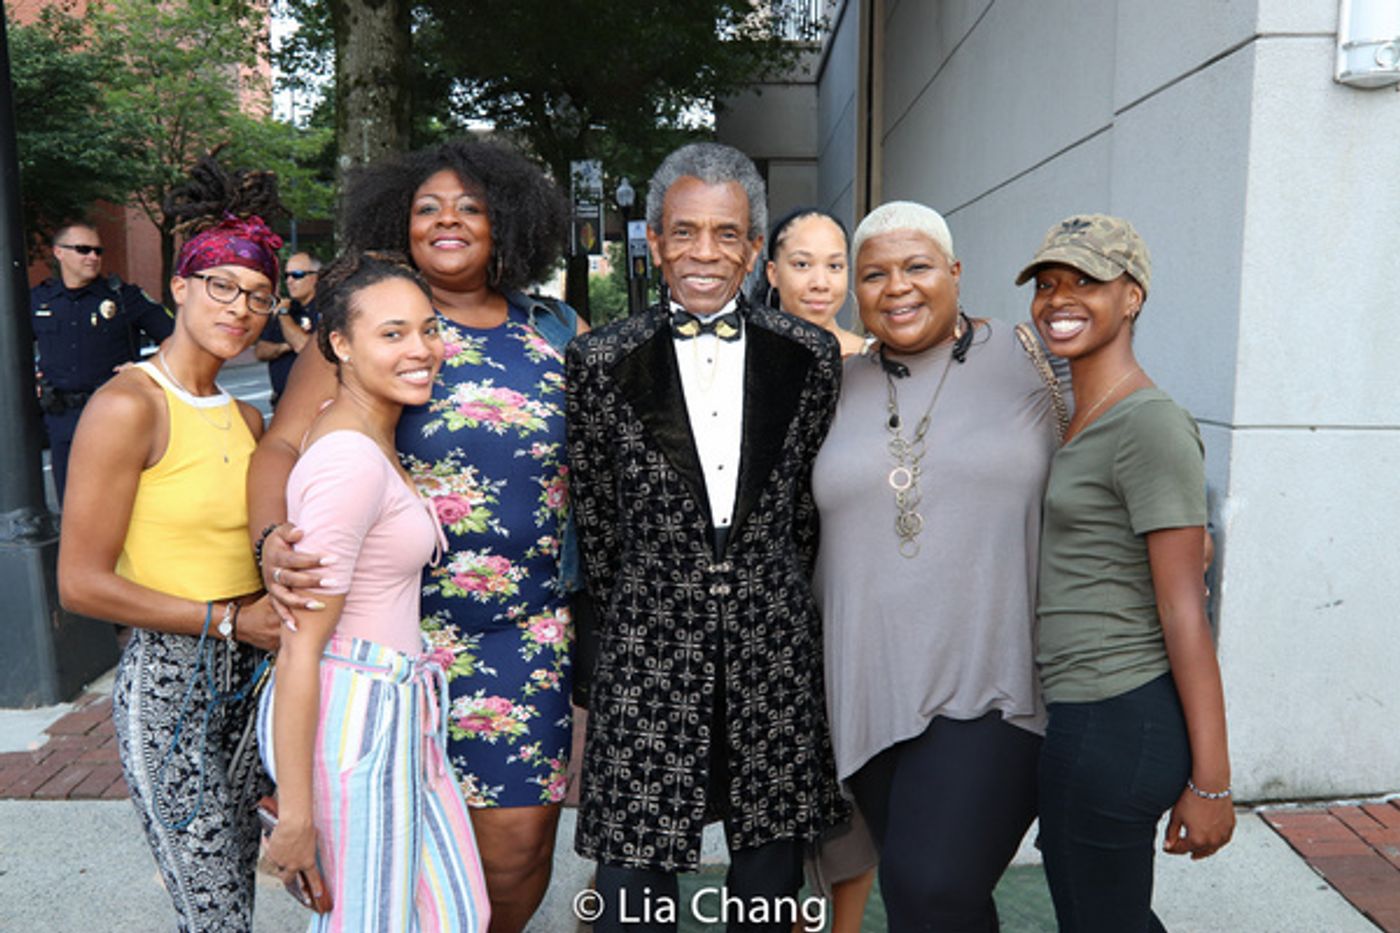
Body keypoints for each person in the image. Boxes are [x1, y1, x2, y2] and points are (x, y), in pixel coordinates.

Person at [250, 139, 581, 933]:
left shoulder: (555, 331)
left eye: (470, 206)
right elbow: (283, 449)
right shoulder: (366, 328)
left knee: (517, 845)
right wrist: (269, 542)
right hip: (395, 629)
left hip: (523, 630)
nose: (448, 220)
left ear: (507, 222)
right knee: (390, 848)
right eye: (428, 206)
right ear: (400, 221)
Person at [565, 142, 847, 932]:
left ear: (754, 247)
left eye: (727, 234)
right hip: (648, 647)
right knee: (630, 895)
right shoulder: (598, 360)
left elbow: (805, 514)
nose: (704, 253)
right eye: (684, 232)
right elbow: (597, 524)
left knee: (765, 890)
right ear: (654, 241)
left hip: (773, 647)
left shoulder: (812, 355)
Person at [813, 201, 1063, 931]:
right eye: (875, 274)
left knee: (929, 883)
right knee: (939, 901)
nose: (898, 287)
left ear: (955, 271)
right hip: (866, 686)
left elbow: (1120, 443)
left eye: (917, 266)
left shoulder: (1031, 357)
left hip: (997, 681)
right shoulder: (831, 384)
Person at [55, 171, 285, 931]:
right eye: (221, 286)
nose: (240, 308)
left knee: (237, 892)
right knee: (211, 909)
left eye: (258, 294)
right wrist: (224, 620)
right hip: (169, 680)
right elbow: (81, 583)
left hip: (252, 679)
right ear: (180, 286)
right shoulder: (128, 405)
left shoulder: (249, 420)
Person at [257, 251, 490, 930]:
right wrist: (295, 814)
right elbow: (299, 647)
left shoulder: (367, 434)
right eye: (392, 334)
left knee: (456, 912)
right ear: (340, 344)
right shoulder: (348, 460)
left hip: (399, 704)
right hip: (353, 713)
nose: (421, 349)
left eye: (428, 329)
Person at [1017, 214, 1234, 931]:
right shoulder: (1078, 414)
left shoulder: (1150, 423)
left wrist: (1214, 782)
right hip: (1090, 715)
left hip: (1116, 715)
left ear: (1132, 296)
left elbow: (1184, 610)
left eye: (1085, 281)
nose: (1059, 298)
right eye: (1048, 284)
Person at [760, 206, 877, 933]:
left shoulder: (873, 362)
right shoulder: (745, 359)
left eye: (835, 263)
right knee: (777, 771)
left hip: (854, 587)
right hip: (769, 591)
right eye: (801, 262)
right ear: (769, 271)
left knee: (853, 766)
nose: (820, 279)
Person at [31, 221, 173, 503]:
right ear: (59, 252)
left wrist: (149, 369)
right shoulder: (39, 300)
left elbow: (176, 339)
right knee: (71, 505)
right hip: (61, 416)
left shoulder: (122, 297)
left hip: (114, 415)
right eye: (83, 250)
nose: (93, 257)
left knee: (119, 504)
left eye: (98, 251)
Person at [762, 207, 868, 358]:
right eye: (802, 265)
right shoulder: (741, 354)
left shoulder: (871, 357)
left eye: (834, 266)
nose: (820, 284)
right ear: (773, 273)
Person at [254, 251, 320, 406]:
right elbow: (261, 351)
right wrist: (286, 346)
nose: (290, 281)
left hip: (313, 403)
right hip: (281, 402)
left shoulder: (327, 309)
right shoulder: (287, 307)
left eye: (297, 275)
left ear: (316, 277)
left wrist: (283, 315)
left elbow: (305, 347)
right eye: (287, 276)